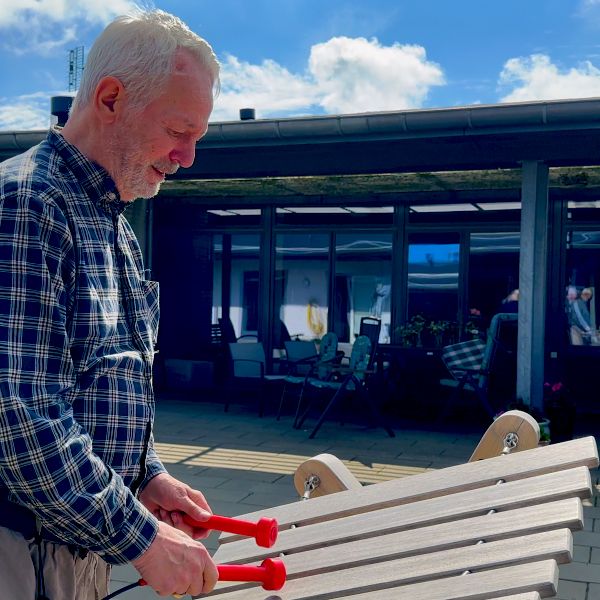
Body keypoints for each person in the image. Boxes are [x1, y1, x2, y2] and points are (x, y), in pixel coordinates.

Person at [0, 8, 220, 599]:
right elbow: (21, 418)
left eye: (198, 138)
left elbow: (99, 383)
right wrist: (142, 538)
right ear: (111, 97)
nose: (188, 158)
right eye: (179, 132)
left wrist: (146, 475)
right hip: (16, 554)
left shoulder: (116, 226)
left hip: (76, 550)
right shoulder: (28, 206)